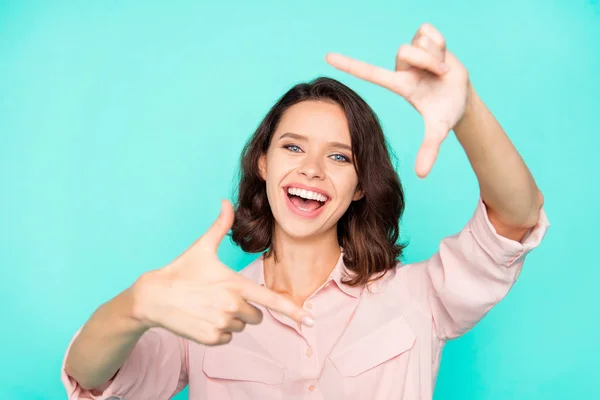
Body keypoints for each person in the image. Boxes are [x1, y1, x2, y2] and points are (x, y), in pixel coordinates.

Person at [62, 23, 549, 400]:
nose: (313, 169)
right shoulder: (208, 309)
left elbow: (515, 219)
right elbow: (92, 379)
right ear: (263, 162)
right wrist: (138, 304)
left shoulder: (420, 296)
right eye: (293, 147)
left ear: (360, 186)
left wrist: (467, 111)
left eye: (340, 157)